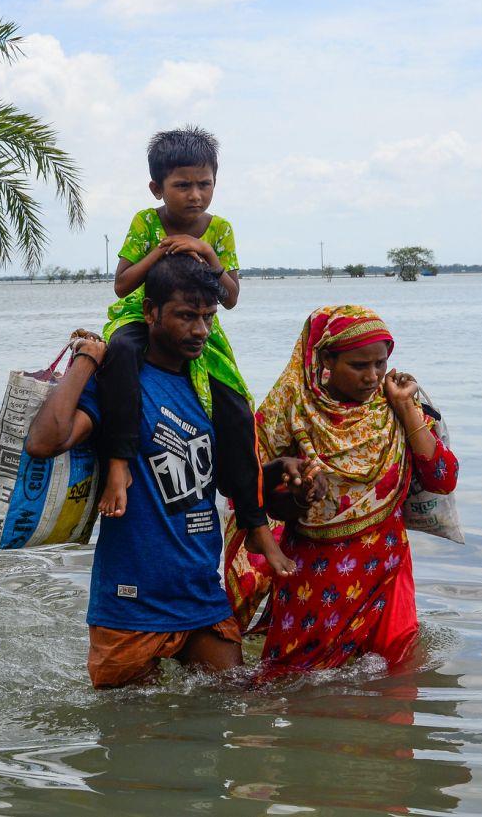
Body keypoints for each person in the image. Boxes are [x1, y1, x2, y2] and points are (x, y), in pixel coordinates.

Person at [25, 254, 311, 689]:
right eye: (185, 316)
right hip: (130, 601)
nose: (199, 330)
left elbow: (207, 473)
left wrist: (276, 472)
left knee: (239, 704)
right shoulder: (122, 385)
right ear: (150, 312)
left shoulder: (209, 387)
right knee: (130, 734)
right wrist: (87, 360)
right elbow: (44, 442)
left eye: (207, 317)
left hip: (199, 592)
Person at [96, 126, 295, 578]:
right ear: (157, 188)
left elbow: (230, 298)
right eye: (182, 185)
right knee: (122, 356)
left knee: (236, 409)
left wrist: (206, 251)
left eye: (204, 184)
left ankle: (255, 522)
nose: (195, 195)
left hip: (201, 321)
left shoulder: (219, 229)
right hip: (142, 314)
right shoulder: (146, 223)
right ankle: (119, 462)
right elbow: (124, 284)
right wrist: (162, 253)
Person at [224, 305, 459, 678]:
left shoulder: (395, 404)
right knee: (290, 680)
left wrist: (405, 408)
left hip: (387, 567)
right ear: (325, 359)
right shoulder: (290, 409)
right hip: (315, 575)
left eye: (380, 363)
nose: (372, 376)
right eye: (359, 365)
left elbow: (443, 478)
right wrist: (299, 493)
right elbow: (247, 494)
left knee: (396, 682)